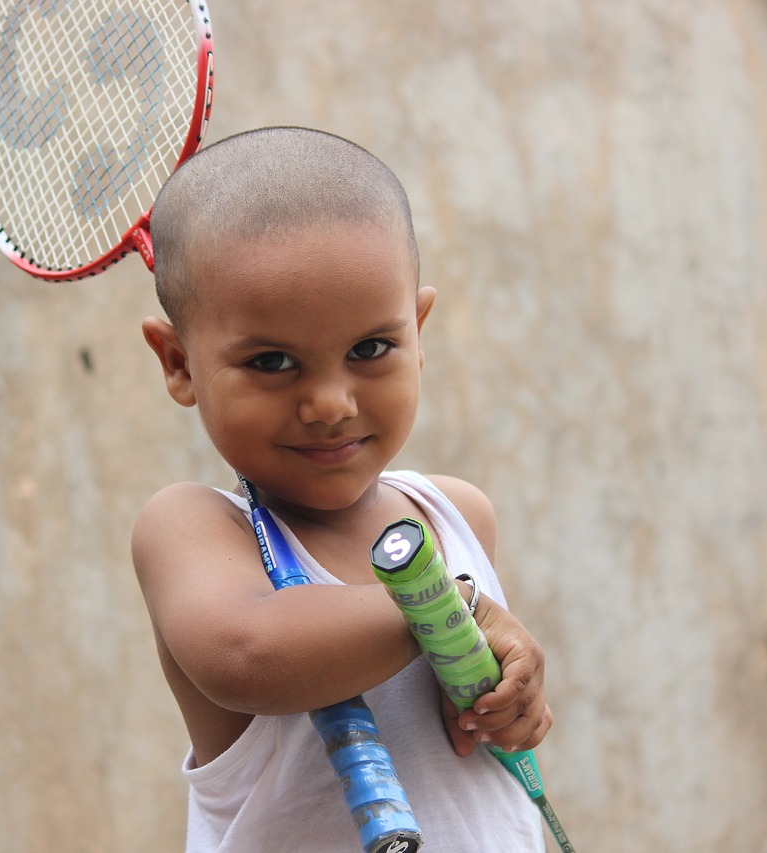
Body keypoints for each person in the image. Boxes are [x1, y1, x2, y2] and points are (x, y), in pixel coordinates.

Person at [133, 126, 552, 851]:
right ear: (178, 362)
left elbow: (476, 750)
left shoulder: (457, 516)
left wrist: (514, 700)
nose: (330, 401)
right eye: (272, 361)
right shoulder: (193, 529)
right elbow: (249, 654)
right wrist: (450, 609)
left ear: (418, 333)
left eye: (369, 349)